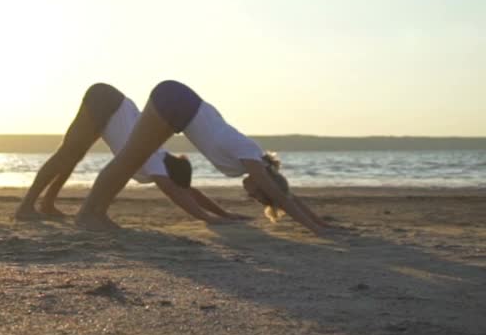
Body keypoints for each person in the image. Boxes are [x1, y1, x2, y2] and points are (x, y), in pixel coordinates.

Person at [74, 80, 334, 235]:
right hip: (174, 101)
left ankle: (95, 213)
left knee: (130, 160)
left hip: (180, 109)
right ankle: (88, 214)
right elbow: (279, 195)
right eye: (257, 196)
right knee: (128, 159)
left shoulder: (254, 160)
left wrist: (319, 221)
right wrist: (315, 229)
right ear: (262, 183)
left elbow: (283, 192)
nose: (252, 196)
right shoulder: (252, 160)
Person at [14, 83, 249, 224]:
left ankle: (46, 204)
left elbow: (188, 192)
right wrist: (209, 218)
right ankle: (26, 207)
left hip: (112, 102)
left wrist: (224, 213)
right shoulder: (157, 160)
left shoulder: (163, 158)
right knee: (67, 154)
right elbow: (174, 192)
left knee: (73, 154)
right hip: (107, 101)